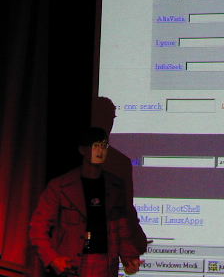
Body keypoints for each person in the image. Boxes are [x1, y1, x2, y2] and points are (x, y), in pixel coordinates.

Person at [30, 127, 143, 277]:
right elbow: (38, 227)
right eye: (95, 146)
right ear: (83, 150)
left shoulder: (115, 186)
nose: (100, 151)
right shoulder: (60, 186)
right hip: (72, 265)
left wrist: (129, 258)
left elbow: (121, 227)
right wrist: (52, 258)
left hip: (105, 264)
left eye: (104, 146)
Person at [92, 97, 148, 254]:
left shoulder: (120, 162)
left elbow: (126, 207)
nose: (108, 125)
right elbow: (126, 208)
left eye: (110, 119)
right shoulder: (120, 162)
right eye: (106, 119)